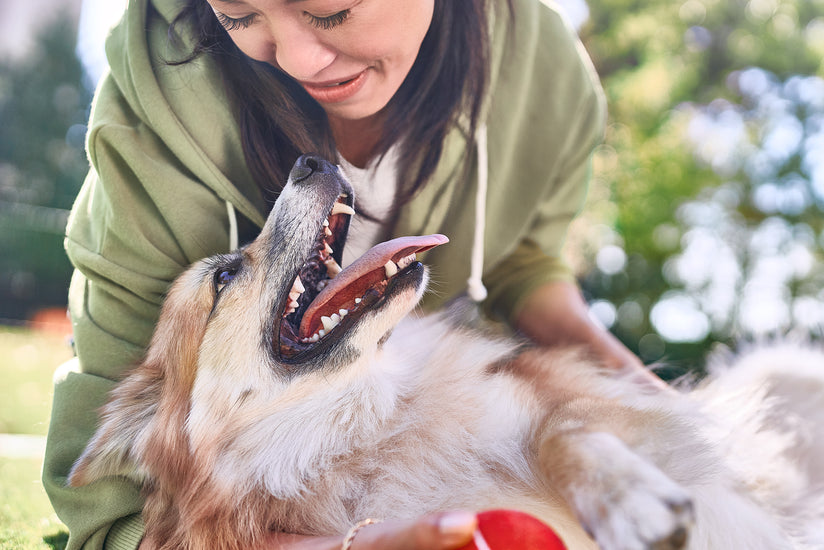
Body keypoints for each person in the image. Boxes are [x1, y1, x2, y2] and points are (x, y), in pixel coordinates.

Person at [43, 0, 664, 548]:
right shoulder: (147, 128)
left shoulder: (550, 79)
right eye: (238, 15)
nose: (296, 59)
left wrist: (661, 405)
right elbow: (113, 520)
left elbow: (525, 262)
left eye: (329, 10)